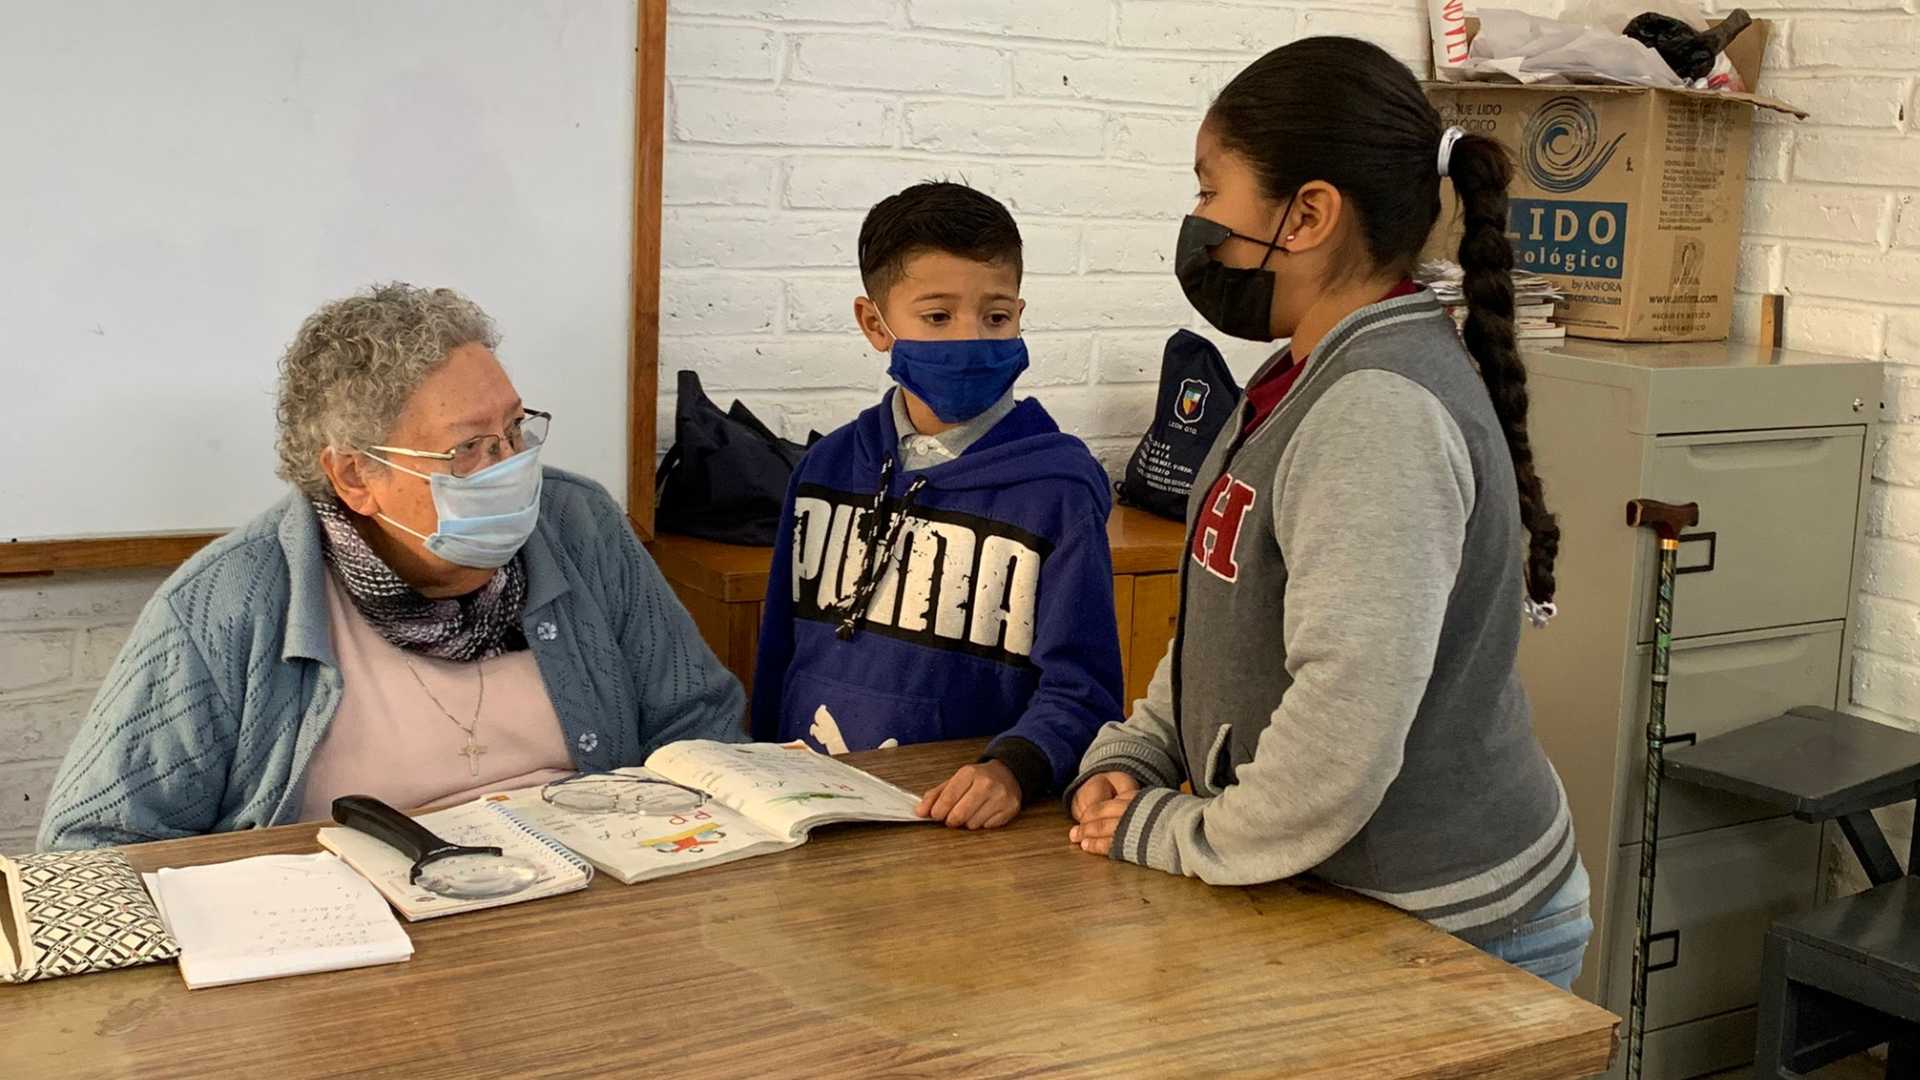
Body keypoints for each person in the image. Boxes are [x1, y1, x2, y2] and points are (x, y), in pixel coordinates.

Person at [1064, 37, 1593, 989]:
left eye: (1207, 189)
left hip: (1451, 931)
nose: (1196, 222)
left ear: (1307, 214)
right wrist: (1145, 749)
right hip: (1349, 907)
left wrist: (1169, 830)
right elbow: (1228, 617)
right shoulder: (1300, 373)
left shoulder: (1375, 410)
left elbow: (1342, 727)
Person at [39, 284, 745, 850]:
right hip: (347, 962)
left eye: (515, 429)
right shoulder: (225, 605)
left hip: (584, 923)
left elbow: (701, 723)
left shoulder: (579, 525)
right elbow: (91, 843)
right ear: (354, 477)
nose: (512, 467)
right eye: (468, 448)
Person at [751, 182, 1123, 831]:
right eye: (938, 316)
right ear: (875, 324)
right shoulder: (824, 468)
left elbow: (1084, 688)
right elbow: (779, 650)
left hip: (960, 830)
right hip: (808, 818)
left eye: (996, 316)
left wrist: (1013, 769)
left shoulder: (1058, 489)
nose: (971, 339)